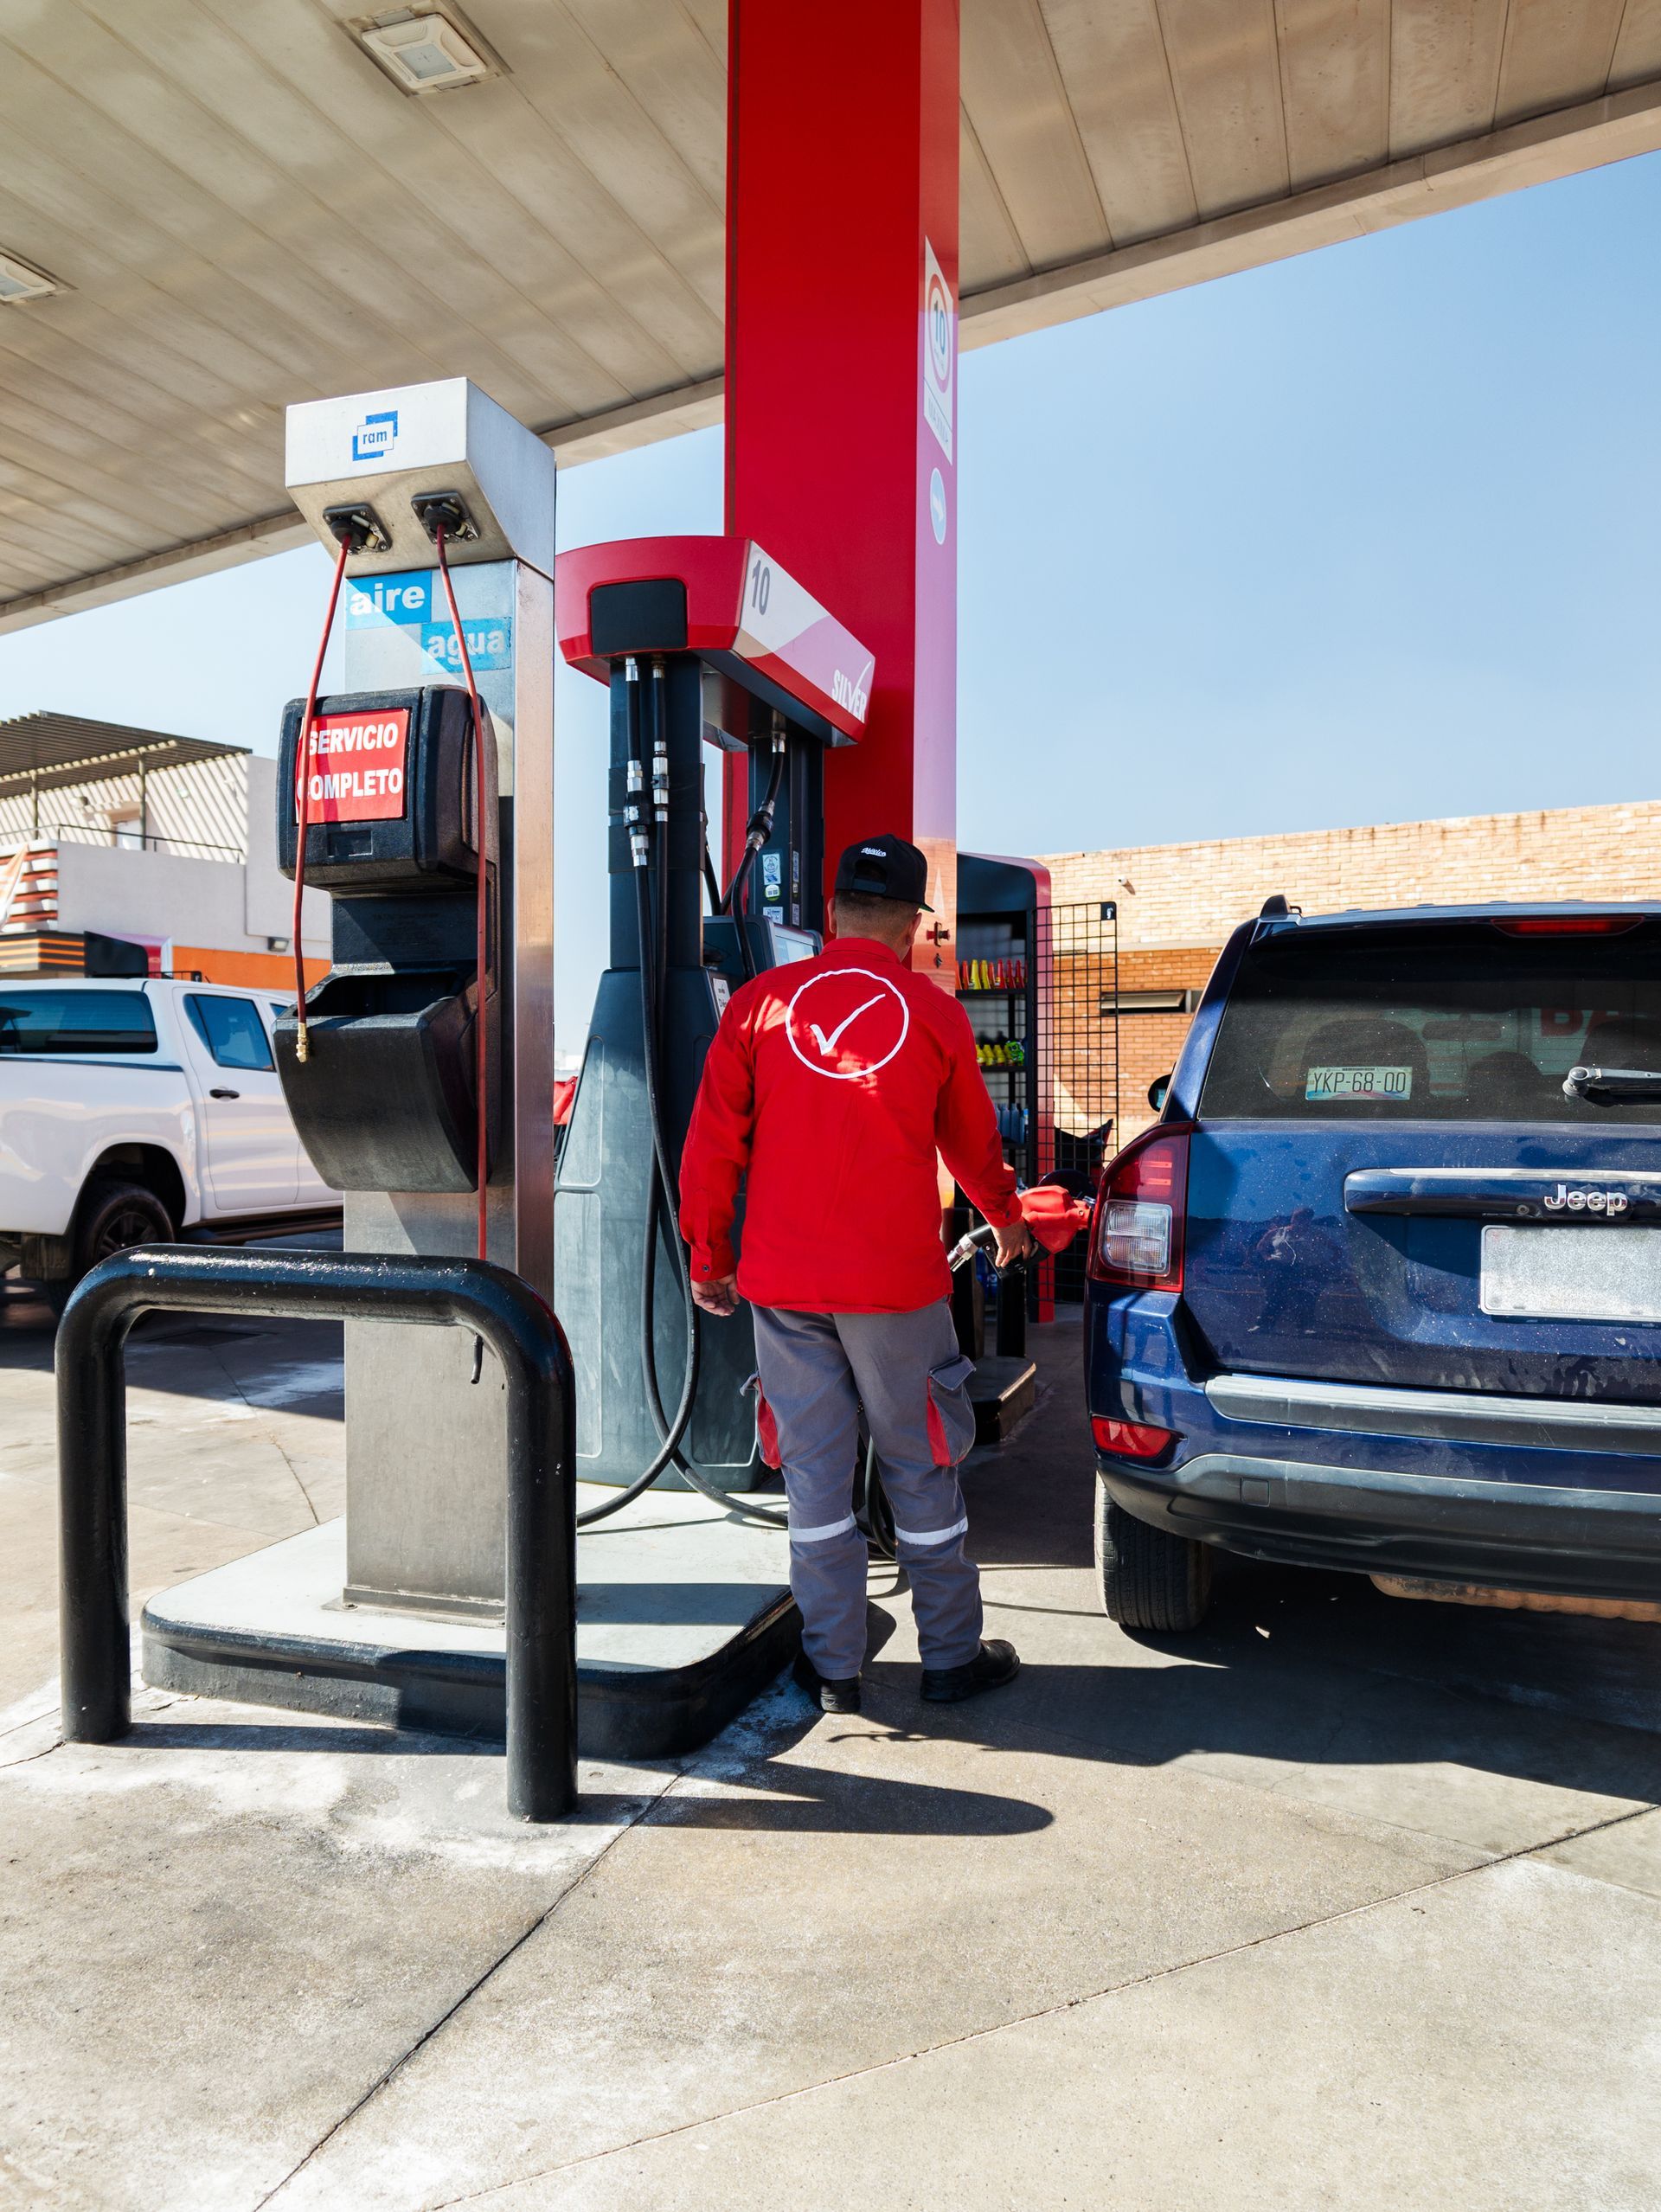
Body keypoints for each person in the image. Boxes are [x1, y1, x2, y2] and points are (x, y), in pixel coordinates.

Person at [678, 831, 1036, 1715]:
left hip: (785, 1285)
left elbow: (712, 1148)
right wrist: (1009, 1220)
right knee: (922, 1465)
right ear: (915, 925)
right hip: (896, 1288)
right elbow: (975, 1148)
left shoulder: (760, 1004)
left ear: (830, 912)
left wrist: (710, 1259)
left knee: (814, 1476)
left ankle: (834, 1666)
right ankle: (949, 1655)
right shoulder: (936, 1012)